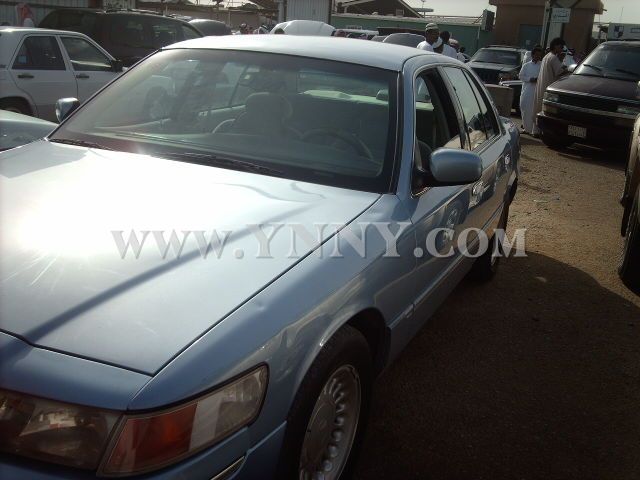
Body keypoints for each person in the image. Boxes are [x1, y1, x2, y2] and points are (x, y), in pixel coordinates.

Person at [532, 37, 567, 136]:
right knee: (547, 111)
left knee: (539, 108)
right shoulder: (553, 58)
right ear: (556, 46)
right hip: (549, 89)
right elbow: (560, 72)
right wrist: (570, 71)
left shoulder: (546, 56)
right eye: (561, 47)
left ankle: (536, 131)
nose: (561, 49)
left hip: (542, 86)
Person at [519, 45, 543, 135]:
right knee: (525, 108)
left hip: (537, 91)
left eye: (539, 55)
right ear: (532, 55)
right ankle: (526, 129)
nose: (538, 57)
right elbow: (521, 76)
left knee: (534, 110)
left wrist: (537, 79)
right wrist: (530, 79)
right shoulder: (526, 65)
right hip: (527, 90)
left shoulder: (542, 65)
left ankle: (534, 131)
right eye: (536, 55)